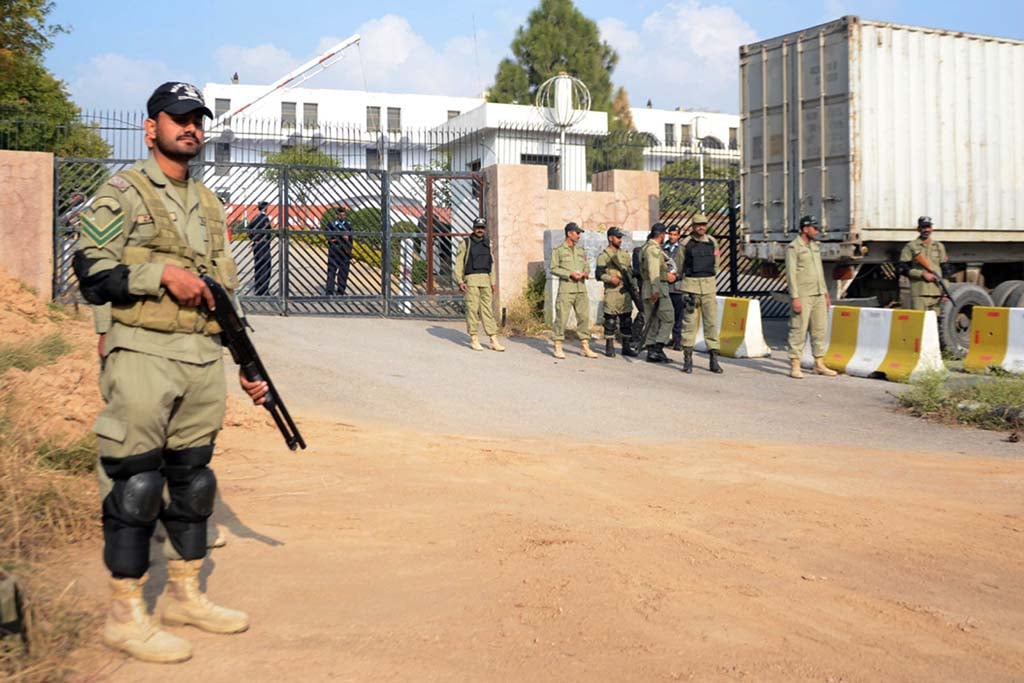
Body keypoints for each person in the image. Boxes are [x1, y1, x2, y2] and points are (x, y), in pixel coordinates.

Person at [72, 81, 268, 664]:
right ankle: (125, 615)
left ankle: (185, 594)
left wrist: (246, 364)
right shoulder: (123, 193)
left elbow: (224, 294)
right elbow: (92, 271)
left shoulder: (209, 204)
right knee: (136, 485)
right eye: (179, 118)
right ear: (150, 126)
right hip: (143, 353)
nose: (191, 128)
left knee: (194, 481)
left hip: (201, 359)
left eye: (198, 120)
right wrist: (158, 274)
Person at [785, 215, 838, 379]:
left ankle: (819, 363)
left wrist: (825, 294)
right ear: (805, 228)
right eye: (814, 228)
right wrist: (795, 297)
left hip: (818, 294)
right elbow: (791, 274)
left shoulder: (815, 246)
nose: (817, 231)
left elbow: (819, 272)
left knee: (819, 330)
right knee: (798, 329)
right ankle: (795, 364)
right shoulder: (794, 247)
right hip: (803, 294)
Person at [680, 213, 723, 374]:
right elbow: (680, 264)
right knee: (689, 324)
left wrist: (710, 277)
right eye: (698, 224)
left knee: (711, 324)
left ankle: (714, 360)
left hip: (709, 287)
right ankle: (688, 359)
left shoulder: (712, 242)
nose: (701, 227)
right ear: (693, 226)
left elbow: (716, 264)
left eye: (704, 224)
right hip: (691, 287)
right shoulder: (686, 244)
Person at [454, 217, 505, 352]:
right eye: (477, 227)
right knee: (472, 309)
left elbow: (491, 263)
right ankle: (474, 338)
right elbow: (459, 263)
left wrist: (492, 282)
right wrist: (460, 280)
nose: (480, 230)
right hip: (471, 279)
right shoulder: (465, 243)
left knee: (487, 310)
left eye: (482, 228)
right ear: (473, 228)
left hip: (485, 279)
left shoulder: (488, 243)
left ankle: (493, 339)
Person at [550, 222, 598, 359]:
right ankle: (558, 345)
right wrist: (569, 274)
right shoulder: (558, 250)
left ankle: (585, 346)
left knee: (584, 317)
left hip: (581, 289)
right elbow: (553, 268)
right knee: (562, 318)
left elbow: (587, 266)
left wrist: (585, 273)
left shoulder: (581, 250)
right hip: (567, 289)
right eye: (577, 233)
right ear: (569, 233)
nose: (579, 236)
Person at [640, 223, 676, 362]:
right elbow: (654, 270)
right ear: (662, 234)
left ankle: (651, 350)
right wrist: (656, 290)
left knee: (652, 320)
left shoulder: (645, 247)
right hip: (657, 288)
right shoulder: (653, 249)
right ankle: (658, 347)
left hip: (647, 287)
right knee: (669, 317)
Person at [595, 226, 634, 357]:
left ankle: (626, 346)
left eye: (621, 237)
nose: (620, 240)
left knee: (626, 319)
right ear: (610, 238)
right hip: (612, 291)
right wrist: (610, 278)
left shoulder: (625, 254)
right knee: (610, 320)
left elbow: (630, 272)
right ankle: (609, 346)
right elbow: (598, 274)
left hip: (625, 291)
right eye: (618, 237)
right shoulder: (604, 256)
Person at [899, 216, 949, 313]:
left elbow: (945, 270)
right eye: (923, 227)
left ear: (932, 229)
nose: (926, 230)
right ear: (918, 229)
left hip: (936, 292)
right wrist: (921, 274)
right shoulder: (911, 246)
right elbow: (902, 268)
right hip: (919, 292)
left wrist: (945, 290)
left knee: (935, 323)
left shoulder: (939, 246)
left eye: (928, 227)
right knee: (919, 322)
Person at [663, 224, 685, 350]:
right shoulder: (662, 248)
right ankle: (665, 338)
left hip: (677, 287)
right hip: (665, 286)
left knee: (678, 316)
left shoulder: (682, 249)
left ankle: (677, 340)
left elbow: (684, 267)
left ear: (679, 235)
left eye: (675, 234)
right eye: (670, 234)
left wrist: (676, 276)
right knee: (665, 314)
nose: (672, 237)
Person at [325, 204, 353, 295]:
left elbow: (350, 239)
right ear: (336, 215)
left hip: (344, 252)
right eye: (340, 215)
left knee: (343, 273)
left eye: (344, 215)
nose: (342, 217)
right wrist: (340, 236)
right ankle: (329, 291)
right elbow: (329, 238)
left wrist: (349, 250)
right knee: (331, 272)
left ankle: (340, 291)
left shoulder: (348, 225)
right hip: (334, 251)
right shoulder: (331, 225)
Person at [249, 201, 273, 296]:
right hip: (263, 245)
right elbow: (268, 232)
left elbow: (248, 229)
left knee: (258, 265)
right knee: (265, 266)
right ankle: (263, 290)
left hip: (257, 246)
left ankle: (258, 288)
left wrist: (254, 239)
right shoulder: (264, 218)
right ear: (265, 208)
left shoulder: (255, 217)